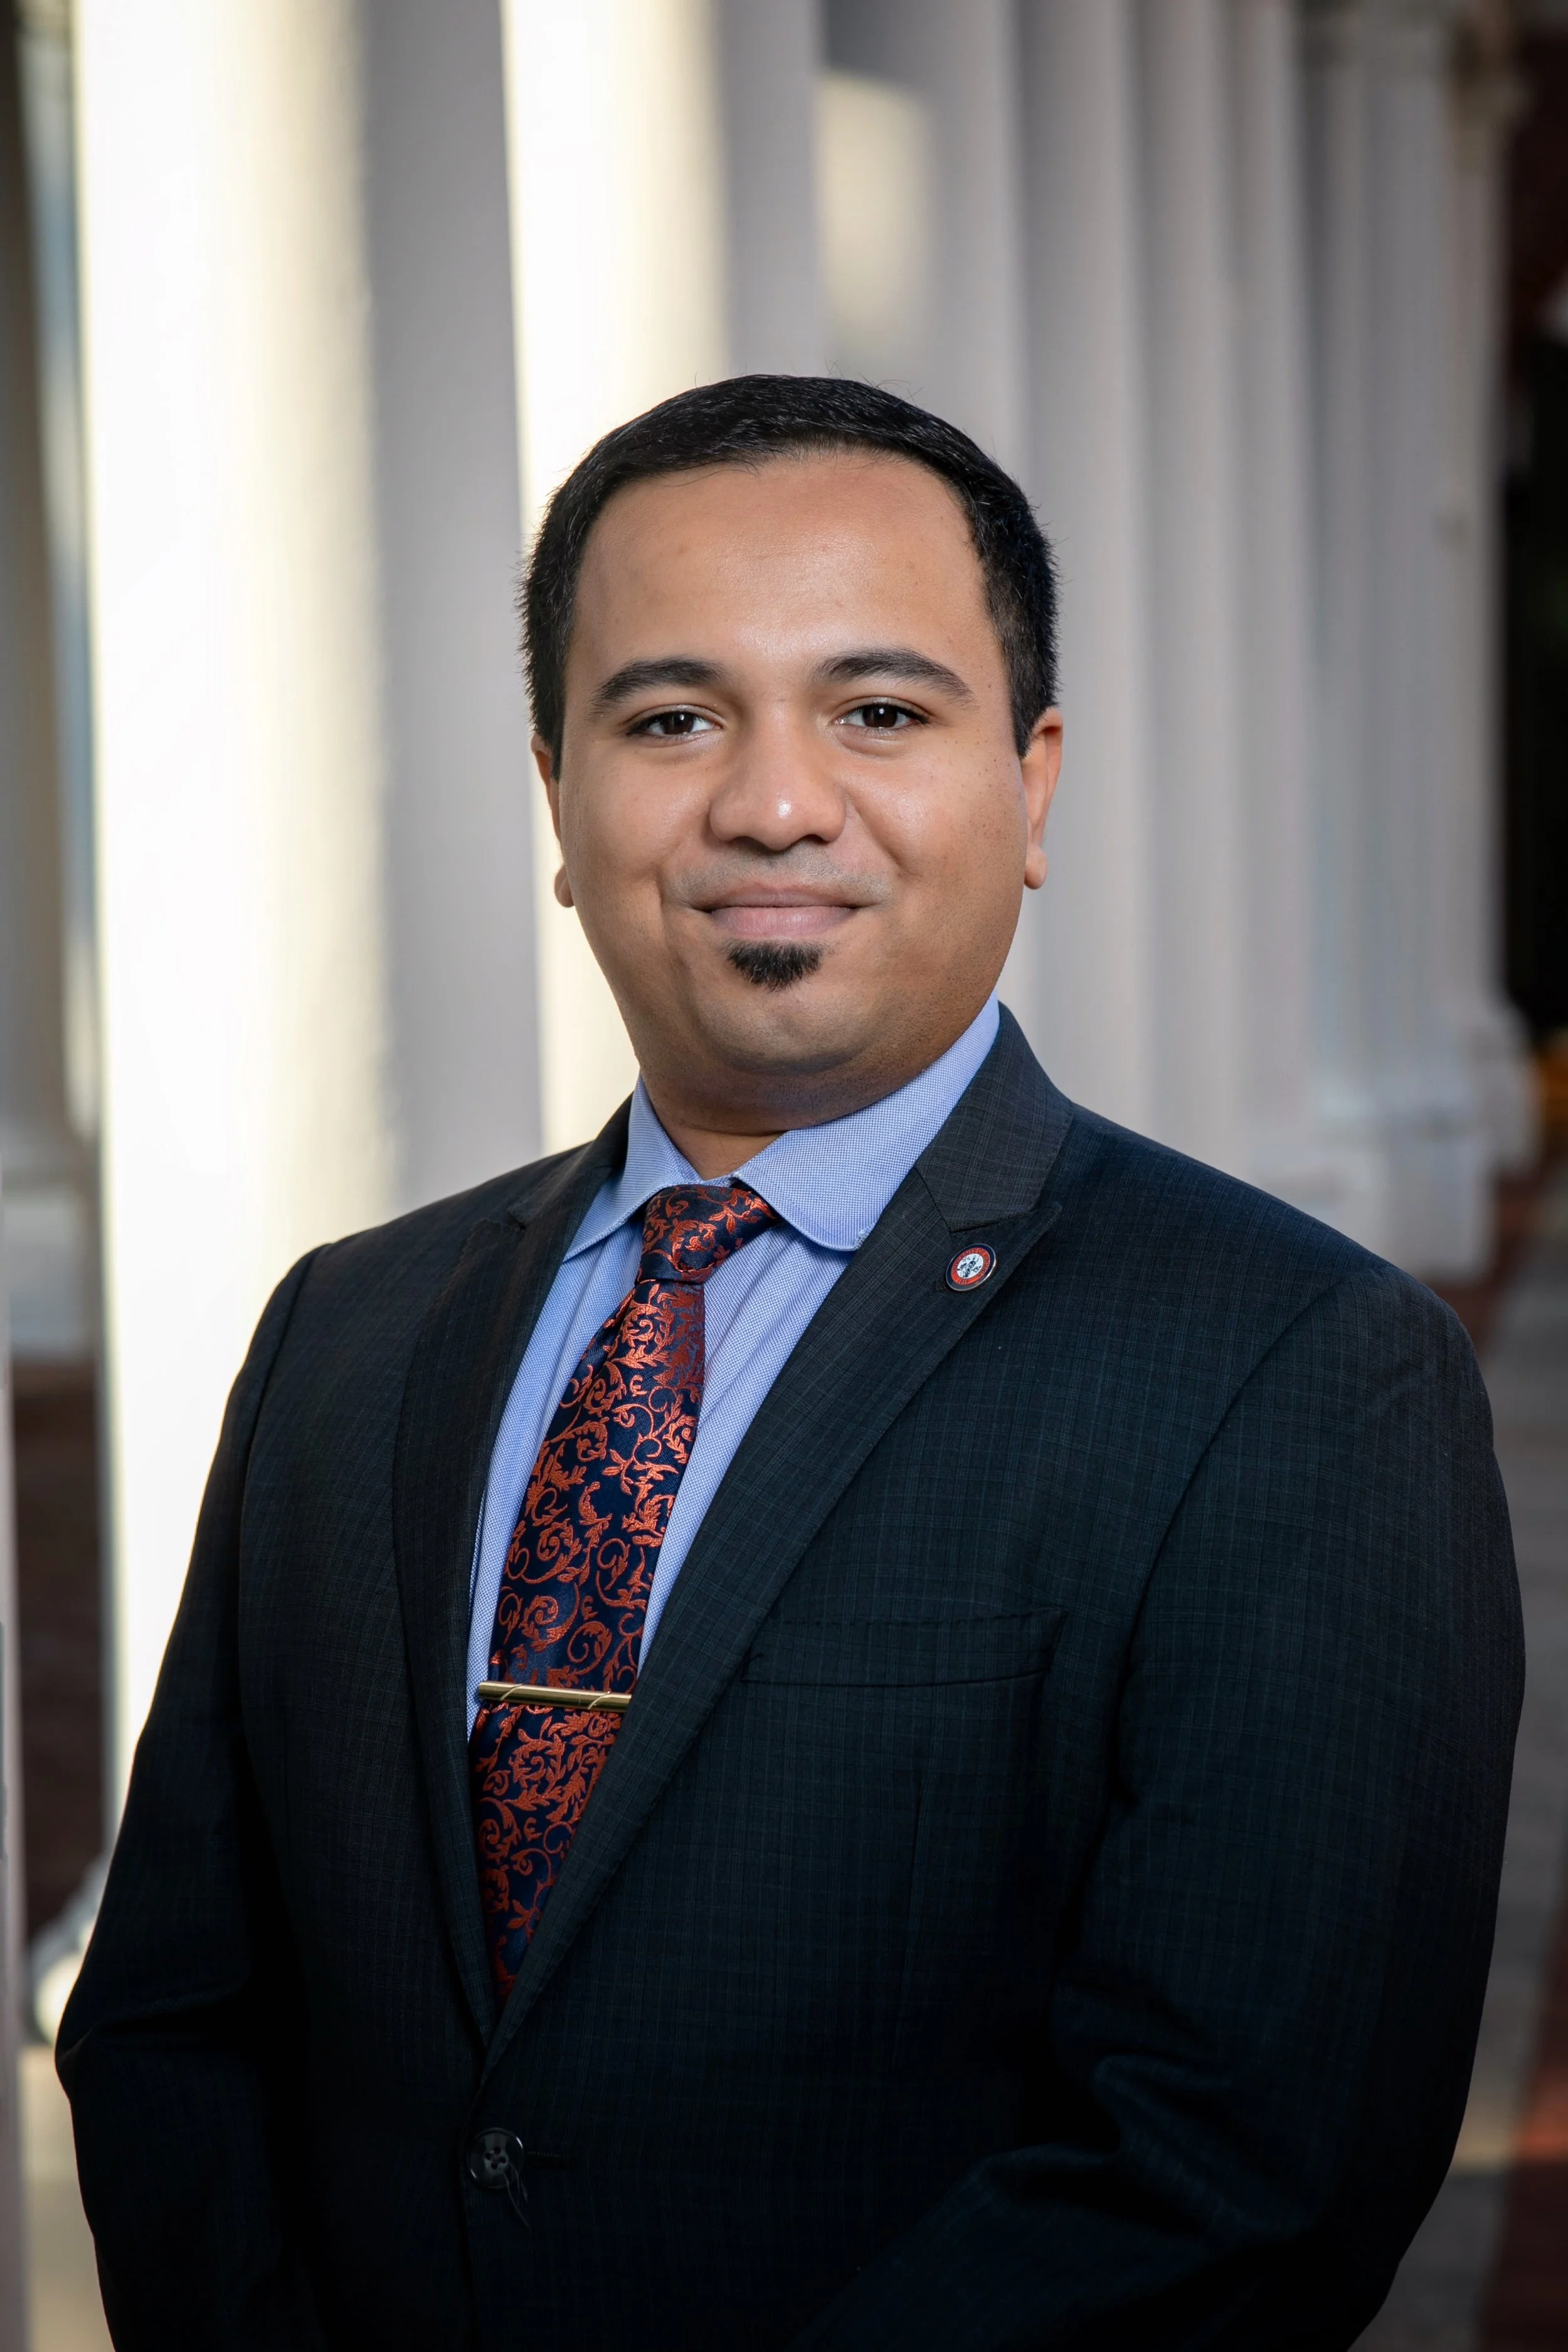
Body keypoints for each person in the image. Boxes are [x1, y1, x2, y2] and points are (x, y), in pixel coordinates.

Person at [60, 376, 1521, 2351]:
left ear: (1032, 784)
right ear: (559, 798)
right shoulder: (351, 1330)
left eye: (879, 712)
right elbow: (171, 2013)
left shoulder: (1294, 1373)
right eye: (670, 718)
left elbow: (1239, 2169)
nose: (771, 802)